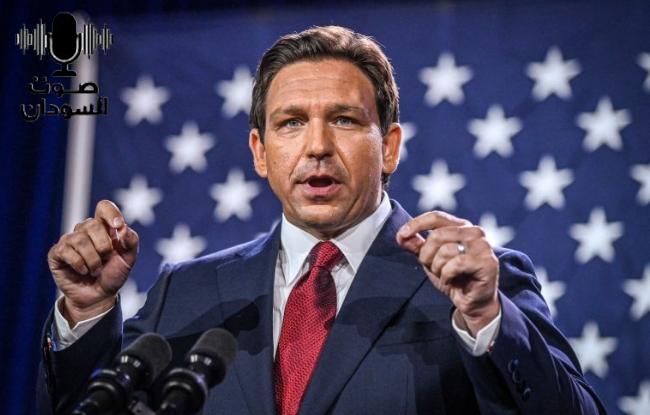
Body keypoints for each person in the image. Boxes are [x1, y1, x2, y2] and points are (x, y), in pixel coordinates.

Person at [39, 26, 607, 414]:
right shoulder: (186, 291)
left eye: (344, 120)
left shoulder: (477, 287)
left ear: (389, 147)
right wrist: (88, 313)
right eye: (290, 123)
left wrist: (486, 318)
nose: (316, 146)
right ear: (260, 152)